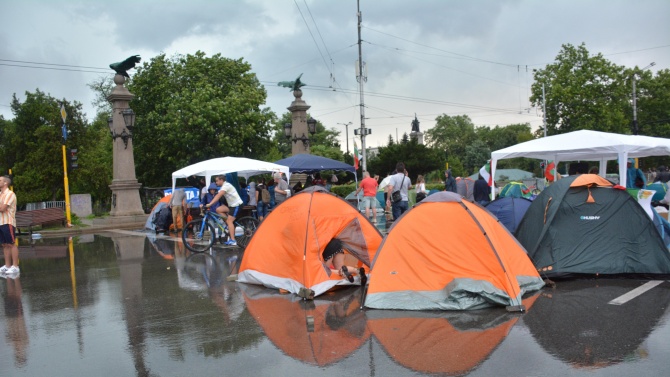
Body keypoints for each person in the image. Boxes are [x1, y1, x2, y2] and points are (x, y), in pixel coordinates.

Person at [203, 175, 244, 246]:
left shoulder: (226, 186)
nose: (216, 182)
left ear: (221, 180)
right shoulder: (223, 187)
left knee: (229, 221)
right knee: (218, 209)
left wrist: (210, 204)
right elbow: (217, 195)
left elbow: (218, 196)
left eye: (217, 181)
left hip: (237, 205)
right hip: (231, 206)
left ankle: (233, 240)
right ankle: (228, 225)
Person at [0, 176, 19, 275]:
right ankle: (7, 266)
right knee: (4, 244)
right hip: (0, 222)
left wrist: (1, 206)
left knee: (11, 244)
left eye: (0, 180)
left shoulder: (10, 194)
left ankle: (15, 266)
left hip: (8, 222)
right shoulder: (0, 194)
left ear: (5, 183)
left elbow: (3, 208)